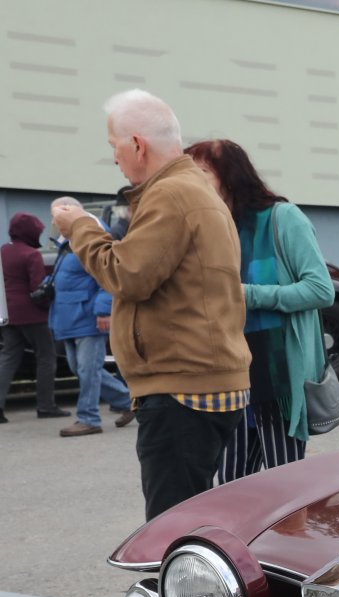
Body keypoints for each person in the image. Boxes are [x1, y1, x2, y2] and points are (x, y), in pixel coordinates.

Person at [52, 89, 252, 520]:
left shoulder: (171, 194)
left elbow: (126, 275)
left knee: (172, 527)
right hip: (200, 380)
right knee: (193, 518)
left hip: (181, 388)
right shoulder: (194, 190)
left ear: (138, 145)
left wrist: (80, 226)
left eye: (114, 146)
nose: (115, 158)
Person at [185, 139, 334, 480]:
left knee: (284, 484)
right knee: (231, 485)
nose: (192, 181)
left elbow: (320, 289)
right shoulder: (209, 227)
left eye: (202, 172)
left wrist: (247, 295)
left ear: (231, 175)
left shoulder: (283, 218)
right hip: (227, 372)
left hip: (277, 372)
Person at [46, 200, 134, 436]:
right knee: (81, 368)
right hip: (71, 316)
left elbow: (107, 274)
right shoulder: (69, 240)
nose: (53, 221)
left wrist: (104, 310)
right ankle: (129, 401)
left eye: (56, 215)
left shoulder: (92, 235)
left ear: (69, 211)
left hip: (85, 316)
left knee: (88, 370)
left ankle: (89, 418)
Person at [0, 212, 67, 421]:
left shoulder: (3, 250)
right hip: (32, 314)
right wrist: (49, 307)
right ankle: (46, 406)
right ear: (30, 232)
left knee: (8, 358)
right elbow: (38, 288)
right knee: (46, 357)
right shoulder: (31, 254)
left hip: (7, 313)